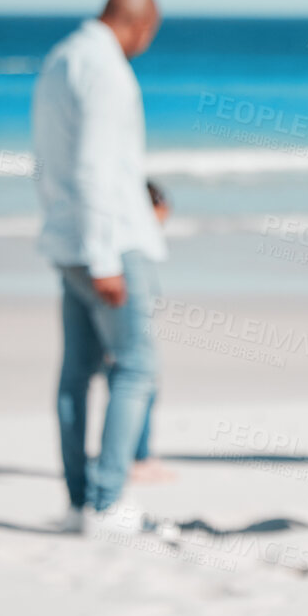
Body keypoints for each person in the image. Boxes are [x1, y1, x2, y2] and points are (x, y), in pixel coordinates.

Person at [32, 0, 166, 534]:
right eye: (150, 35)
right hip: (107, 244)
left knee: (76, 376)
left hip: (67, 241)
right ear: (138, 24)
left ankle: (77, 502)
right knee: (135, 368)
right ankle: (108, 504)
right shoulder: (106, 68)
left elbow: (45, 160)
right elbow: (93, 168)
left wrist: (75, 242)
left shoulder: (61, 56)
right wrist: (104, 258)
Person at [127, 180, 176, 485]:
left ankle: (139, 455)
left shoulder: (142, 241)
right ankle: (138, 457)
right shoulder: (138, 244)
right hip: (131, 322)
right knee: (140, 384)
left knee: (141, 385)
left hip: (135, 320)